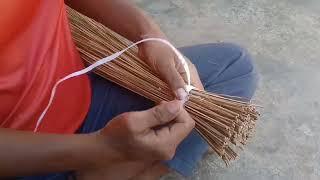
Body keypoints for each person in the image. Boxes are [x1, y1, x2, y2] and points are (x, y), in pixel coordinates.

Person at [0, 0, 257, 179]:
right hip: (28, 156)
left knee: (233, 69)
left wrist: (152, 36)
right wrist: (101, 148)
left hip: (85, 93)